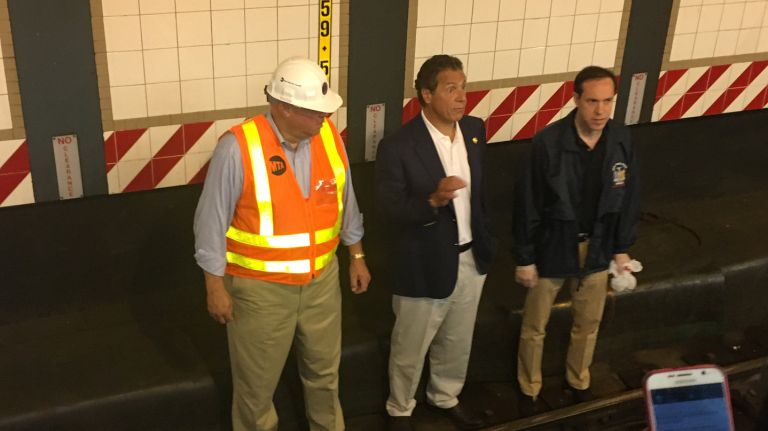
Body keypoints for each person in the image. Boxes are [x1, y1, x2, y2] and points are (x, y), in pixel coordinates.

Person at [193, 57, 371, 431]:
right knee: (256, 391)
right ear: (283, 107)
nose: (323, 119)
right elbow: (209, 223)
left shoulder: (329, 138)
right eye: (314, 112)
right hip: (260, 293)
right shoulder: (237, 148)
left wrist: (356, 254)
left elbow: (346, 201)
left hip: (321, 282)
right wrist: (214, 286)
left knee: (325, 376)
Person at [375, 54, 496, 431]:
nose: (462, 96)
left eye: (463, 87)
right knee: (410, 348)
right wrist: (432, 201)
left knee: (457, 341)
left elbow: (481, 197)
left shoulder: (474, 130)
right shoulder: (398, 146)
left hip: (470, 258)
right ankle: (400, 410)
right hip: (423, 263)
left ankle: (445, 397)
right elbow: (388, 210)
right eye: (451, 88)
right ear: (426, 95)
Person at [512, 65, 640, 415]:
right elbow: (528, 202)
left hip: (597, 247)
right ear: (576, 100)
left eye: (607, 102)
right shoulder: (549, 142)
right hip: (553, 245)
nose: (600, 111)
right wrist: (524, 257)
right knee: (535, 325)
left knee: (588, 324)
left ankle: (578, 380)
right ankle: (529, 388)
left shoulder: (619, 139)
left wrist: (621, 247)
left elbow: (628, 196)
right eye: (592, 102)